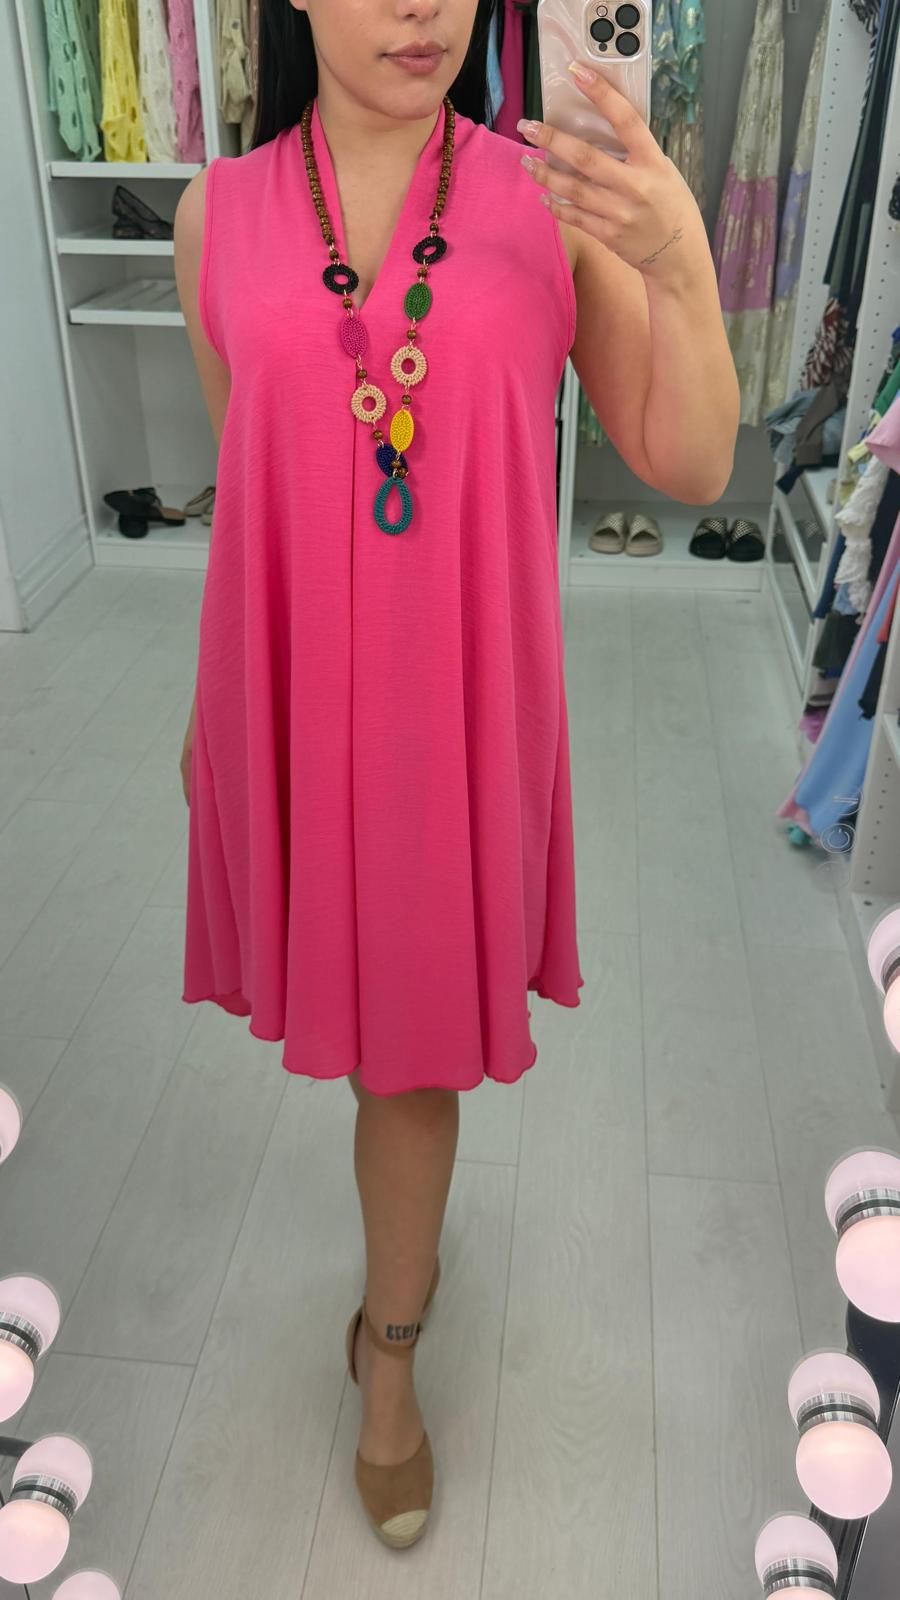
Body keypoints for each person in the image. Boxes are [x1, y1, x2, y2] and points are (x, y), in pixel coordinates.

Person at [173, 0, 739, 1553]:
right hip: (300, 711)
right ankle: (394, 1309)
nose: (419, 7)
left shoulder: (547, 200)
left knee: (411, 1066)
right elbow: (249, 499)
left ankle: (391, 1363)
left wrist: (677, 260)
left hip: (457, 724)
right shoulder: (217, 217)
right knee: (366, 1055)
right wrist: (210, 719)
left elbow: (692, 461)